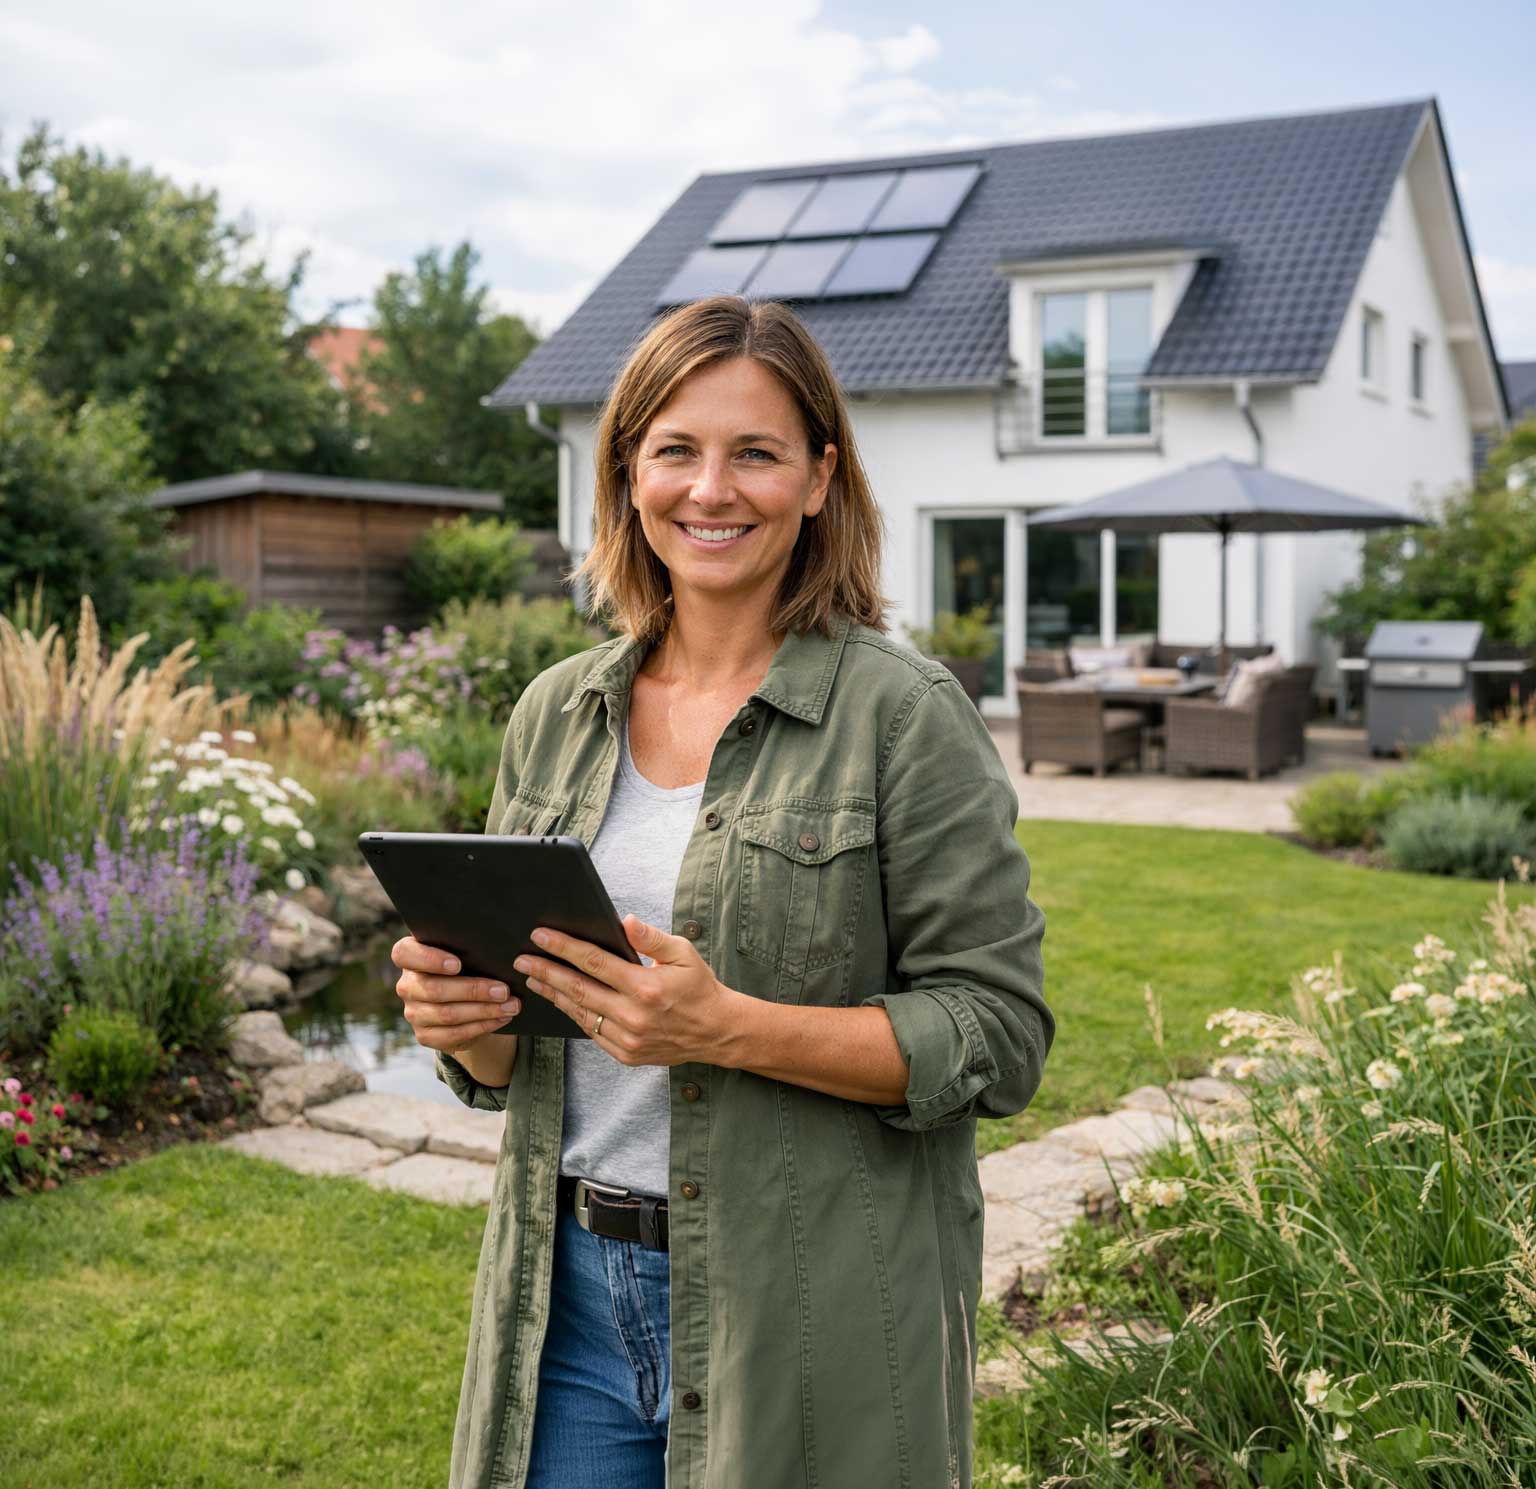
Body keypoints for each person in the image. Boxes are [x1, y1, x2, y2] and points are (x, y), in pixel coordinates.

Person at [391, 294, 1052, 1489]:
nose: (710, 489)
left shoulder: (904, 716)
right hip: (566, 1304)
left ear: (819, 479)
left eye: (755, 452)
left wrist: (726, 1028)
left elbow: (997, 1035)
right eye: (676, 450)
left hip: (804, 1303)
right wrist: (465, 1023)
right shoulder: (556, 712)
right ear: (628, 472)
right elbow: (513, 1058)